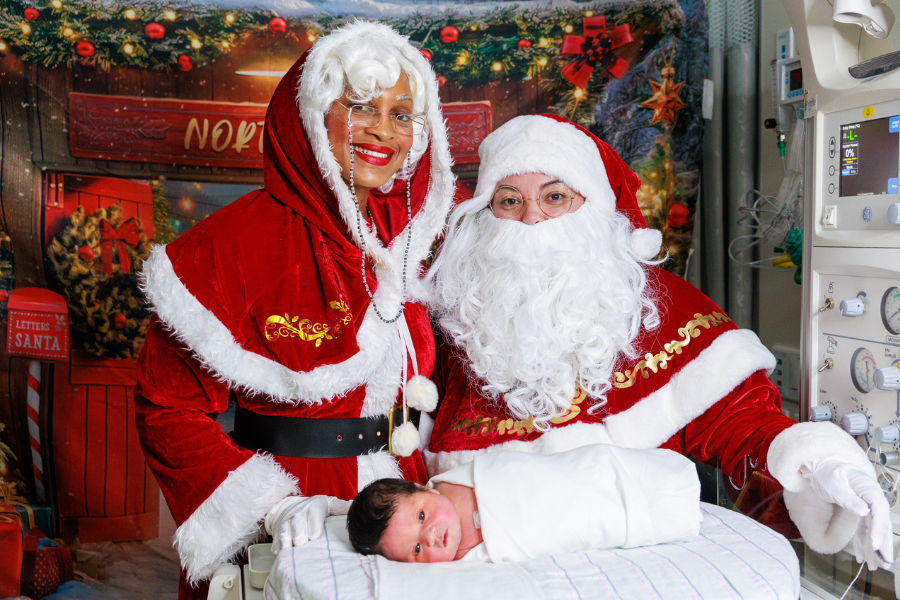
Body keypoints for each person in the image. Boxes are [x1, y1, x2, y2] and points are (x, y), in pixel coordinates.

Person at [424, 114, 894, 573]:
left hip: (622, 563)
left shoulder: (661, 307)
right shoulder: (460, 313)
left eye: (555, 197)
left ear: (594, 209)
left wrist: (821, 466)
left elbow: (742, 424)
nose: (531, 219)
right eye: (508, 201)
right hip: (475, 565)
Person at [135, 21, 454, 599]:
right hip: (291, 511)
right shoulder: (226, 247)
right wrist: (273, 507)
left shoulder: (412, 243)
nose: (385, 131)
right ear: (311, 117)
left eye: (402, 114)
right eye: (362, 107)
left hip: (405, 510)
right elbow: (166, 408)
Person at [347, 443, 702, 563]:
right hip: (572, 523)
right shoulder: (458, 562)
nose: (433, 535)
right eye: (417, 551)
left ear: (422, 488)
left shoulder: (454, 481)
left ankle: (654, 485)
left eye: (422, 516)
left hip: (585, 475)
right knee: (597, 520)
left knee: (594, 473)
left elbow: (527, 476)